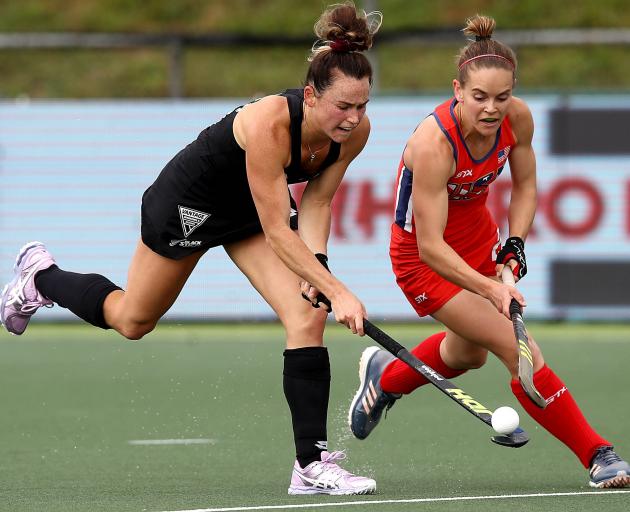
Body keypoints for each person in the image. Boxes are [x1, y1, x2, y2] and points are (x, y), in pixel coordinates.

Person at [0, 2, 383, 496]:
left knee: (306, 315)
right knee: (133, 320)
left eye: (362, 107)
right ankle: (39, 276)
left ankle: (310, 464)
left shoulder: (353, 135)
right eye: (343, 107)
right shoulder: (270, 124)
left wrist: (320, 270)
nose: (353, 119)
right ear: (310, 96)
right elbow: (277, 230)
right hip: (189, 201)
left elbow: (317, 203)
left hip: (247, 210)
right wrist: (339, 291)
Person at [348, 15, 630, 489]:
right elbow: (431, 247)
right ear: (457, 89)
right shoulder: (433, 144)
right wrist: (490, 290)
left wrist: (513, 248)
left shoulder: (517, 118)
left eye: (502, 97)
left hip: (478, 238)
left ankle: (387, 378)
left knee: (467, 354)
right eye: (479, 97)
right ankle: (598, 453)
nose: (491, 109)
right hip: (422, 259)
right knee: (514, 347)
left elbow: (526, 186)